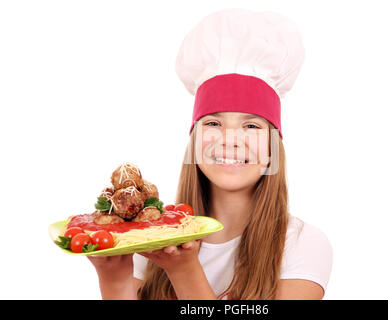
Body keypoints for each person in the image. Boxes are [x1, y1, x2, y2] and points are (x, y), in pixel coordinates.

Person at [88, 8, 333, 300]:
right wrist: (113, 278)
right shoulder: (152, 238)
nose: (230, 140)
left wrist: (184, 271)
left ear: (272, 149)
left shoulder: (302, 245)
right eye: (214, 123)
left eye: (251, 125)